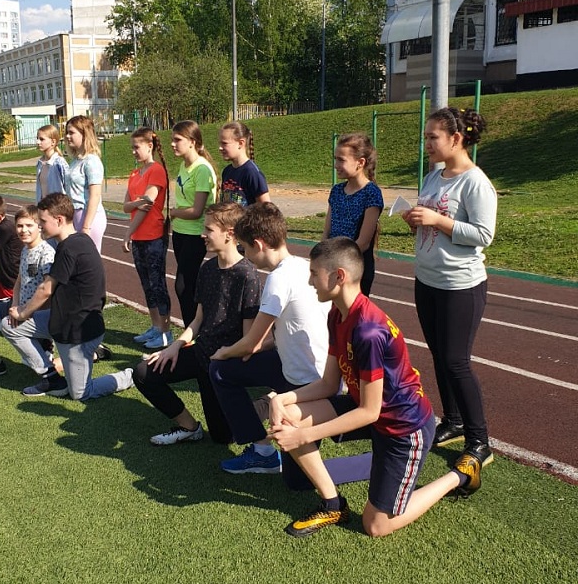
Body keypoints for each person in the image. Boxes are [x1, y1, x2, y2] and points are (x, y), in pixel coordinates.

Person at [268, 237, 488, 539]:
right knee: (289, 416)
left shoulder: (368, 331)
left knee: (375, 526)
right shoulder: (337, 314)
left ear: (338, 276)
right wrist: (282, 399)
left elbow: (369, 412)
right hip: (368, 410)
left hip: (403, 429)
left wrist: (304, 435)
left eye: (314, 273)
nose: (310, 282)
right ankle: (333, 504)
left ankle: (459, 476)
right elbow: (329, 384)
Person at [403, 106, 497, 469]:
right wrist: (416, 220)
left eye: (433, 137)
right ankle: (454, 421)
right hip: (427, 279)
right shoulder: (434, 176)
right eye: (425, 137)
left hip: (460, 285)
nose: (427, 144)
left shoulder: (475, 183)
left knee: (456, 361)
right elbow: (431, 220)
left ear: (456, 139)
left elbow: (483, 234)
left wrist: (438, 220)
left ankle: (479, 440)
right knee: (439, 355)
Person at [209, 203, 329, 474]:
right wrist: (256, 348)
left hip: (304, 381)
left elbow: (251, 342)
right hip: (319, 373)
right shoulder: (305, 266)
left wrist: (224, 352)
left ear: (259, 244)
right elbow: (291, 330)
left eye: (244, 248)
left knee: (219, 367)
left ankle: (276, 439)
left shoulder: (278, 279)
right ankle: (262, 450)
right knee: (227, 369)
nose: (245, 255)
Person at [132, 202, 261, 446]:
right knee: (143, 373)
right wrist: (175, 346)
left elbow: (248, 340)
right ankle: (189, 427)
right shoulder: (208, 268)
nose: (203, 234)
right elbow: (199, 320)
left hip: (223, 363)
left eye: (209, 229)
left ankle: (261, 405)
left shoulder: (247, 276)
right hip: (201, 353)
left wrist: (224, 365)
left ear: (229, 234)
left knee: (223, 438)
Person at [11, 192, 133, 400]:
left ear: (59, 220)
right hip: (62, 323)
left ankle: (129, 375)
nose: (40, 226)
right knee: (10, 325)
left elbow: (46, 289)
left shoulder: (70, 248)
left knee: (81, 393)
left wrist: (22, 312)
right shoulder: (75, 241)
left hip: (78, 331)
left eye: (43, 221)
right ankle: (51, 377)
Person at [0, 206, 59, 385]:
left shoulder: (46, 253)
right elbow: (19, 281)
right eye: (20, 226)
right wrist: (15, 305)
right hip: (19, 305)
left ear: (40, 226)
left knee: (36, 364)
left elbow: (49, 292)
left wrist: (25, 313)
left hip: (35, 313)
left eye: (29, 225)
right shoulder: (26, 249)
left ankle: (47, 346)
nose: (23, 230)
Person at [122, 126, 173, 351]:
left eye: (137, 147)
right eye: (132, 147)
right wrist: (135, 203)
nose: (133, 151)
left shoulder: (156, 170)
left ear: (149, 146)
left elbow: (148, 203)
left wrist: (128, 231)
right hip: (139, 237)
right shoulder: (135, 174)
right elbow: (127, 206)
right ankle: (155, 326)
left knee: (157, 284)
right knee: (146, 283)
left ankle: (166, 331)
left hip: (153, 236)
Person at [169, 119, 217, 326]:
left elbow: (197, 211)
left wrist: (173, 212)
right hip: (180, 232)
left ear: (192, 142)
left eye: (177, 140)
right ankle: (194, 331)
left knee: (183, 286)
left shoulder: (202, 169)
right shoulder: (183, 165)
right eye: (172, 140)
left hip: (195, 233)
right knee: (188, 286)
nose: (173, 144)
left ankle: (193, 331)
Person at [323, 133, 383, 295]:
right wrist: (322, 259)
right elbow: (327, 232)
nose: (336, 165)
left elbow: (363, 242)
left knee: (352, 311)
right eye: (335, 159)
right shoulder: (336, 191)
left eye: (341, 160)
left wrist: (337, 263)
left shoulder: (371, 193)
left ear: (360, 163)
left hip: (356, 269)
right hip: (332, 266)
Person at [64, 114, 107, 251]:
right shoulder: (76, 161)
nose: (67, 136)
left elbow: (95, 195)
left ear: (84, 134)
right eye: (67, 132)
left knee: (88, 259)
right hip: (75, 214)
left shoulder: (91, 161)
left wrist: (86, 226)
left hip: (89, 216)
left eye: (71, 132)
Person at [218, 121, 270, 206]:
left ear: (240, 143)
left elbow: (266, 209)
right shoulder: (226, 171)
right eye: (220, 143)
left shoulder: (251, 172)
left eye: (224, 143)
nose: (220, 148)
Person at [35, 124, 68, 202]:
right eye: (37, 138)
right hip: (42, 206)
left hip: (57, 207)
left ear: (53, 142)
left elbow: (68, 187)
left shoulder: (59, 163)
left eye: (42, 139)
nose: (38, 142)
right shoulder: (40, 163)